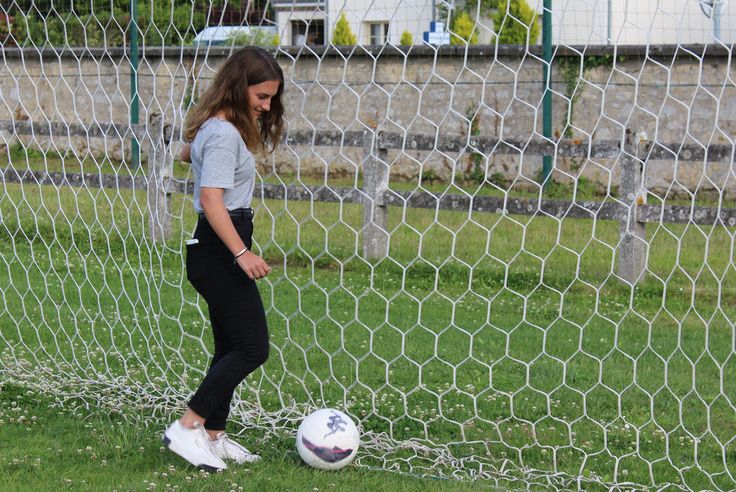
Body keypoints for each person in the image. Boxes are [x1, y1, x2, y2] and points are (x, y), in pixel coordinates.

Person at [162, 46, 284, 472]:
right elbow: (211, 199)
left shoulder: (217, 129)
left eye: (271, 99)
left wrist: (202, 144)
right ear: (238, 87)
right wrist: (242, 252)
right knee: (253, 347)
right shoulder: (223, 133)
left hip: (217, 248)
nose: (267, 106)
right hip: (220, 250)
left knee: (231, 345)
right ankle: (188, 426)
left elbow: (186, 154)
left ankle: (214, 435)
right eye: (262, 97)